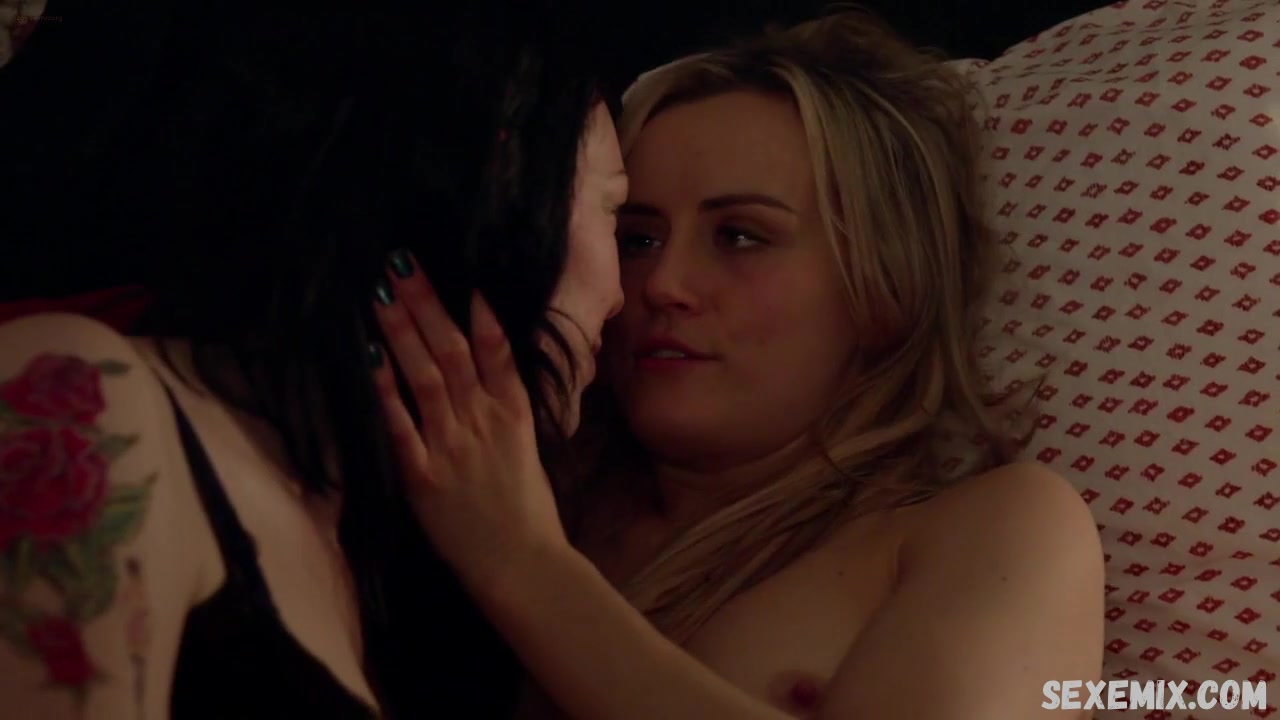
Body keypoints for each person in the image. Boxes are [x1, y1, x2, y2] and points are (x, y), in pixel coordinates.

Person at [374, 9, 1106, 720]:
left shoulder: (993, 529)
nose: (662, 285)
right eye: (637, 239)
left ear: (887, 281)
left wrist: (521, 563)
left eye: (740, 237)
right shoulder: (507, 476)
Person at [0, 1, 626, 718]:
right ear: (499, 181)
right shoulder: (93, 403)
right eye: (618, 214)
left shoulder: (400, 542)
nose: (621, 297)